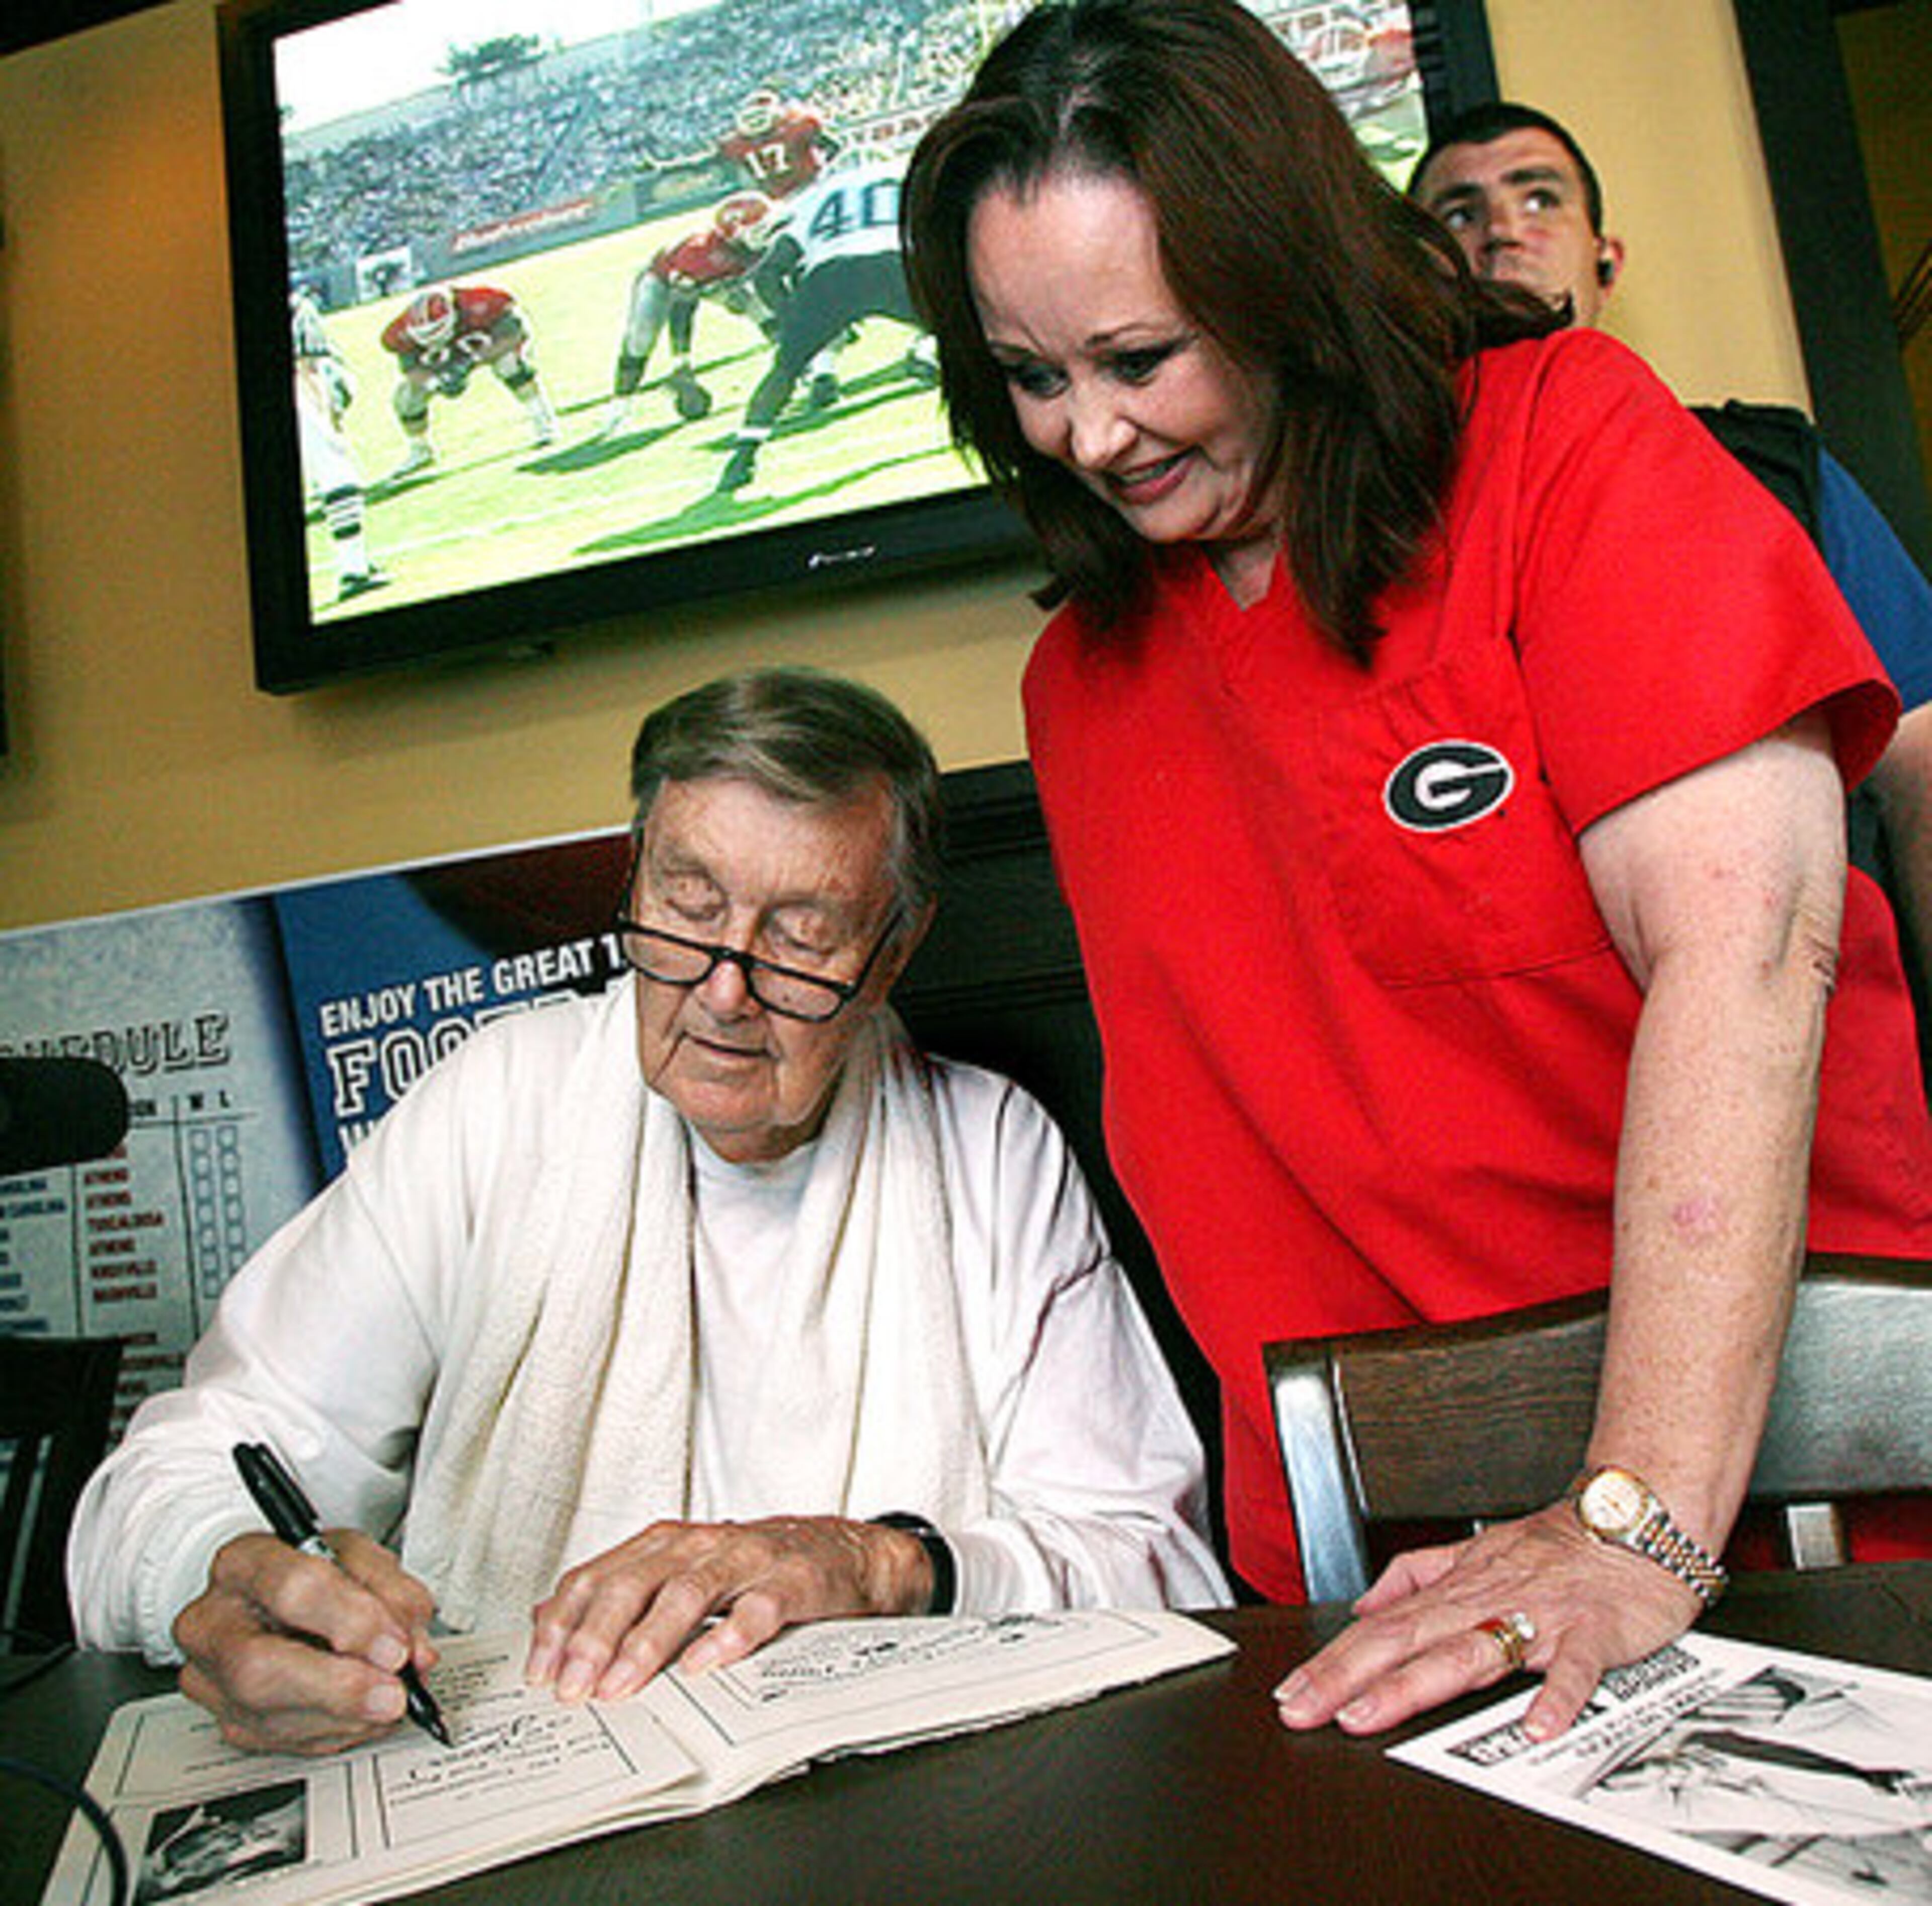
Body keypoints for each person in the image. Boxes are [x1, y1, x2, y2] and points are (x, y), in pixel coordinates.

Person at [902, 0, 1932, 1745]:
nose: (1087, 435)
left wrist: (1637, 1514)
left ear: (1287, 290)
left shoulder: (1568, 444)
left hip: (1775, 1510)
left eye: (1142, 358)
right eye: (1033, 374)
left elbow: (1748, 959)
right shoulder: (1078, 684)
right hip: (1370, 1582)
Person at [67, 667, 1226, 1757]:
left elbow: (1161, 1566)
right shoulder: (498, 1102)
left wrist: (881, 1564)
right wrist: (223, 1572)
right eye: (686, 903)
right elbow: (169, 1481)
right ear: (632, 882)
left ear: (890, 954)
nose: (724, 989)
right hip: (511, 1781)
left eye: (801, 933)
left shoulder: (990, 1150)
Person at [1407, 101, 1932, 1075]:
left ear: (1606, 261)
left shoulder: (1776, 471)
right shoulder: (1377, 525)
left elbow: (1921, 760)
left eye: (1539, 197)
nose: (1503, 230)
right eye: (1459, 213)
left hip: (1822, 1051)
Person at [714, 153, 939, 495]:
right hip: (893, 262)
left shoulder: (815, 196)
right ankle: (938, 360)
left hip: (830, 276)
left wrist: (794, 322)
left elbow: (768, 274)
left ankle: (742, 459)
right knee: (971, 334)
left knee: (784, 371)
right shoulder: (905, 175)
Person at [598, 192, 779, 438]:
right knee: (641, 338)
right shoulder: (698, 254)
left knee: (761, 310)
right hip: (663, 281)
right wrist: (681, 361)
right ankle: (620, 406)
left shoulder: (756, 245)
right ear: (732, 231)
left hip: (722, 279)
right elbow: (682, 308)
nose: (765, 235)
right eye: (758, 229)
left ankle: (800, 368)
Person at [378, 282, 559, 480]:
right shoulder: (398, 333)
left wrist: (474, 360)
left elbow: (515, 334)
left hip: (488, 345)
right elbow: (412, 370)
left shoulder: (483, 302)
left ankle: (542, 419)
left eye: (436, 331)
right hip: (447, 358)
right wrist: (436, 382)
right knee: (407, 396)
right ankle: (420, 450)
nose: (432, 339)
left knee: (509, 364)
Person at [290, 289, 384, 603]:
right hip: (298, 397)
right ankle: (354, 570)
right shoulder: (298, 307)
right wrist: (328, 422)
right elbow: (308, 367)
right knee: (339, 474)